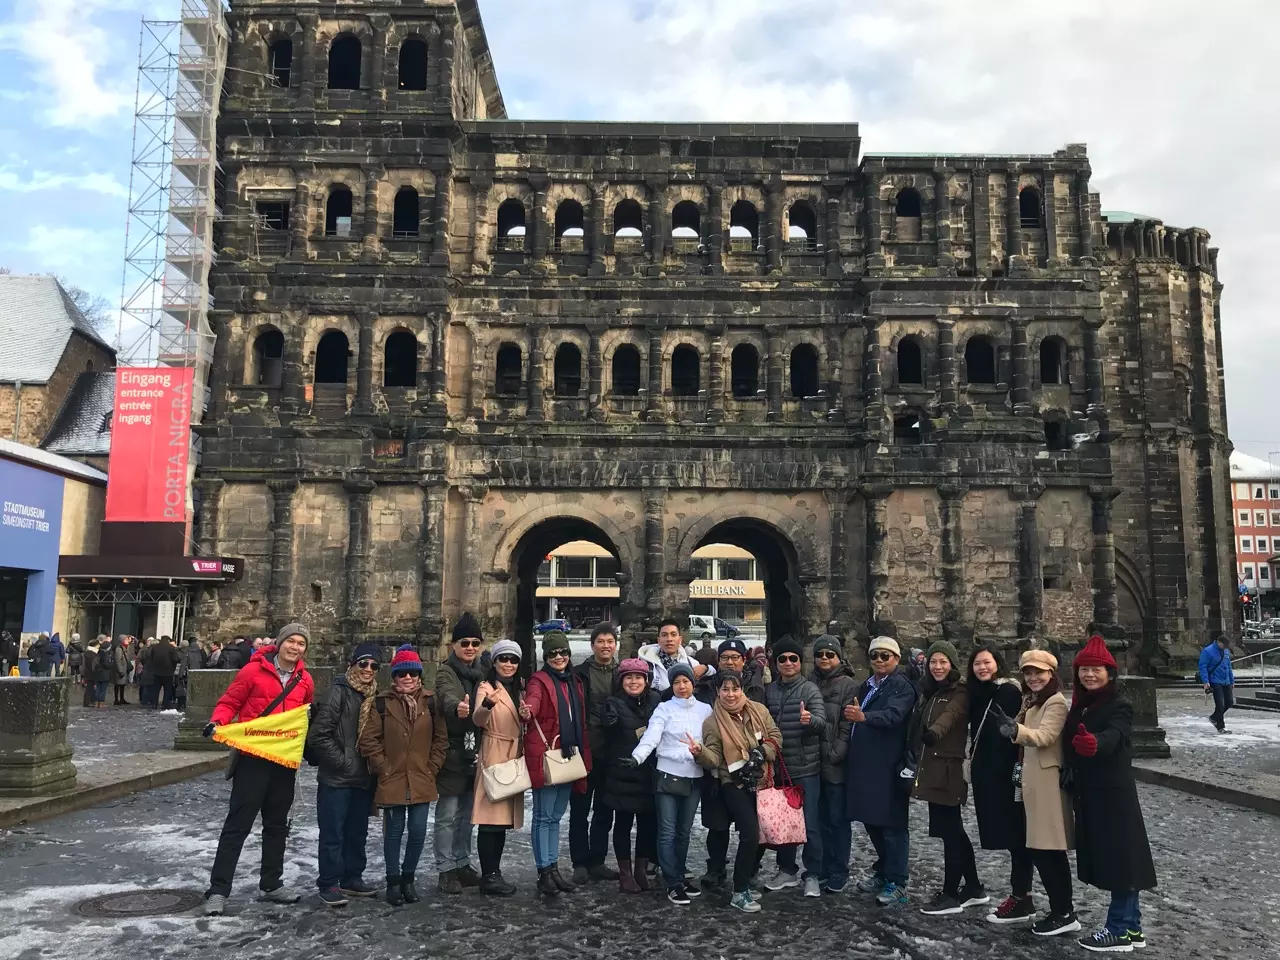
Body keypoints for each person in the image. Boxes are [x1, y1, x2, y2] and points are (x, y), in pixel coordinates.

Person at [201, 623, 315, 915]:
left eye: (301, 643)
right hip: (252, 758)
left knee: (277, 826)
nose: (295, 647)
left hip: (283, 761)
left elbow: (305, 715)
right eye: (291, 641)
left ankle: (271, 883)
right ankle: (218, 890)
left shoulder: (305, 680)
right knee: (237, 825)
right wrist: (219, 722)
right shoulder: (252, 671)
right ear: (280, 643)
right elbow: (230, 702)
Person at [1064, 636, 1158, 953]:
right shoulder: (1081, 705)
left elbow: (1115, 734)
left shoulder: (1120, 704)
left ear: (1110, 673)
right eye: (1084, 669)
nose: (1090, 674)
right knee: (1119, 860)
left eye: (1096, 669)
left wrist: (1095, 743)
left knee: (1121, 862)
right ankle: (1132, 929)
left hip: (1113, 795)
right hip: (1091, 794)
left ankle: (1117, 928)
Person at [989, 649, 1079, 938]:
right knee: (1040, 851)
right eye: (1028, 673)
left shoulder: (1055, 703)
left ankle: (1064, 912)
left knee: (1050, 851)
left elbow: (1045, 737)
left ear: (1051, 674)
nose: (1033, 677)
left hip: (1047, 786)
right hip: (1029, 784)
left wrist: (1015, 729)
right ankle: (1059, 910)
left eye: (1039, 672)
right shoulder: (1031, 701)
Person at [359, 645, 448, 907]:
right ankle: (393, 880)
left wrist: (432, 767)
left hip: (421, 776)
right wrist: (383, 766)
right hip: (393, 776)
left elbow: (441, 740)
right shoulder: (382, 702)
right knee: (394, 831)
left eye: (412, 673)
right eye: (401, 674)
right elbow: (368, 739)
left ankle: (409, 878)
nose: (407, 678)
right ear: (394, 677)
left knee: (418, 830)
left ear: (419, 674)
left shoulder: (431, 702)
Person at [909, 640, 987, 916]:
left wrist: (934, 733)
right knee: (949, 830)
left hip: (948, 771)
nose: (938, 666)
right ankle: (975, 887)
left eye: (943, 661)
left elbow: (950, 717)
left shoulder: (959, 692)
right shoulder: (931, 692)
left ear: (952, 664)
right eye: (933, 662)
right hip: (932, 769)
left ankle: (952, 893)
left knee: (952, 832)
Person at [696, 671, 782, 913]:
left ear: (742, 690)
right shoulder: (712, 722)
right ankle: (739, 890)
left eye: (735, 689)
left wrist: (762, 753)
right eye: (725, 689)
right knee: (750, 833)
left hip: (761, 778)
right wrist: (699, 752)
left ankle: (746, 876)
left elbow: (775, 736)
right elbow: (713, 756)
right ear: (718, 692)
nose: (731, 694)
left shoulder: (759, 711)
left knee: (761, 834)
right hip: (732, 782)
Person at [307, 642, 381, 907]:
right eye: (363, 663)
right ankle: (328, 882)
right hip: (337, 777)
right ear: (352, 664)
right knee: (333, 833)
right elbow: (318, 736)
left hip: (363, 778)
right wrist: (343, 762)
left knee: (356, 832)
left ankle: (352, 878)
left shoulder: (373, 695)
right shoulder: (338, 692)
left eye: (374, 665)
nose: (368, 669)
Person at [631, 660, 712, 905]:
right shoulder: (664, 709)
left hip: (694, 777)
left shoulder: (705, 710)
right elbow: (652, 736)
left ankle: (679, 872)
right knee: (667, 830)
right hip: (667, 775)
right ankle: (672, 881)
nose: (681, 686)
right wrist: (637, 757)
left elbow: (713, 738)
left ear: (693, 683)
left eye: (685, 681)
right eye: (676, 682)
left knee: (684, 831)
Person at [845, 636, 917, 907]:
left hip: (889, 764)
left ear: (896, 659)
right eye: (874, 655)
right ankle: (885, 869)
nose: (879, 661)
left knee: (892, 825)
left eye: (885, 656)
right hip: (867, 764)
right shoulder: (867, 685)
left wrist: (864, 717)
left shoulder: (901, 687)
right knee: (872, 820)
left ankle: (897, 881)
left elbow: (894, 716)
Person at [522, 628, 592, 897]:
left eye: (563, 651)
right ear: (545, 656)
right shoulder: (538, 682)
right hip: (548, 755)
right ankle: (544, 871)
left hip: (569, 754)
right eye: (552, 653)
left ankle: (553, 867)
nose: (559, 657)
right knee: (542, 816)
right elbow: (534, 702)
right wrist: (527, 711)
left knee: (555, 817)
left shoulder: (574, 681)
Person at [966, 645, 1032, 925]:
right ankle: (1019, 895)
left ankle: (1022, 896)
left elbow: (1006, 736)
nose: (982, 667)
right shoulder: (979, 693)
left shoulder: (1007, 691)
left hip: (1006, 776)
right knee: (1009, 837)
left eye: (987, 662)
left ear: (998, 664)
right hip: (987, 775)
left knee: (1018, 838)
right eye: (977, 663)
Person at [761, 635, 827, 898]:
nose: (788, 663)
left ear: (800, 662)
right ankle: (786, 870)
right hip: (779, 768)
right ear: (776, 663)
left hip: (805, 766)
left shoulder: (810, 690)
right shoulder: (771, 690)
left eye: (793, 658)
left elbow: (821, 723)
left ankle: (813, 874)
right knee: (784, 823)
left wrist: (809, 720)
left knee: (810, 824)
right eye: (783, 659)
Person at [599, 658, 661, 893]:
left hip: (648, 772)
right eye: (628, 677)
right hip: (622, 772)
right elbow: (608, 730)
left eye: (638, 677)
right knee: (623, 823)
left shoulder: (656, 700)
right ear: (621, 680)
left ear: (646, 680)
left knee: (647, 824)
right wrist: (609, 721)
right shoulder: (613, 703)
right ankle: (625, 873)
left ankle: (641, 870)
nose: (634, 682)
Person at [434, 613, 485, 894]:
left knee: (467, 813)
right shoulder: (447, 671)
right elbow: (446, 695)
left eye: (475, 642)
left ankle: (463, 862)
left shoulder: (480, 672)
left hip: (473, 749)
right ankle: (445, 868)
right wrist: (458, 707)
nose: (469, 647)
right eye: (464, 642)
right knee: (448, 813)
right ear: (454, 645)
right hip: (453, 750)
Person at [472, 639, 526, 896]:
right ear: (494, 662)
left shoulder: (519, 689)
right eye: (503, 659)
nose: (508, 664)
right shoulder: (486, 686)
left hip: (513, 756)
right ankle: (489, 875)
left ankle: (494, 872)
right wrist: (487, 704)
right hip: (494, 753)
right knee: (489, 820)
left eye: (513, 660)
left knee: (501, 821)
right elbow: (477, 719)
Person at [569, 622, 621, 884]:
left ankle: (597, 860)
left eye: (609, 641)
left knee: (604, 810)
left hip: (611, 753)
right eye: (600, 641)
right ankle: (579, 861)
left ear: (615, 644)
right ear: (592, 645)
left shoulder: (623, 674)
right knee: (579, 809)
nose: (605, 646)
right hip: (584, 750)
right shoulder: (579, 674)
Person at [812, 634, 859, 894]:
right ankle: (822, 867)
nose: (824, 659)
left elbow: (847, 724)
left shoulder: (849, 685)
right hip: (812, 762)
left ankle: (838, 870)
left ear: (839, 657)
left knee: (837, 821)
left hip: (834, 763)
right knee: (818, 820)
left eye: (830, 654)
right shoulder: (809, 682)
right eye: (820, 654)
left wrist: (835, 753)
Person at [639, 618, 713, 692]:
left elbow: (714, 674)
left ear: (680, 639)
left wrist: (705, 668)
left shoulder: (690, 663)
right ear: (658, 640)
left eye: (673, 635)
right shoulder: (645, 664)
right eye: (664, 635)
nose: (669, 639)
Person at [1198, 633, 1235, 733]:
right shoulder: (1207, 651)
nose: (1225, 648)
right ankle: (1221, 727)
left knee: (1229, 702)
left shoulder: (1225, 651)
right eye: (1224, 645)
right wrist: (1206, 682)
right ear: (1218, 642)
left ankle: (1214, 718)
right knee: (1220, 705)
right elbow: (1203, 667)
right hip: (1214, 681)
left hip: (1226, 680)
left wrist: (1232, 681)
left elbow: (1229, 667)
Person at [151, 636, 181, 709]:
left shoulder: (155, 647)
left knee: (156, 689)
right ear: (168, 640)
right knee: (167, 689)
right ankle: (165, 705)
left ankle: (154, 704)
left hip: (156, 671)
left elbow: (151, 657)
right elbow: (175, 659)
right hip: (168, 672)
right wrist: (173, 668)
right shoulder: (171, 648)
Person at [110, 636, 130, 705]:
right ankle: (116, 699)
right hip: (120, 670)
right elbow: (117, 661)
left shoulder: (125, 647)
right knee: (118, 685)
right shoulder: (119, 649)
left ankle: (122, 699)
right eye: (126, 639)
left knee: (122, 685)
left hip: (124, 669)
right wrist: (120, 670)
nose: (128, 640)